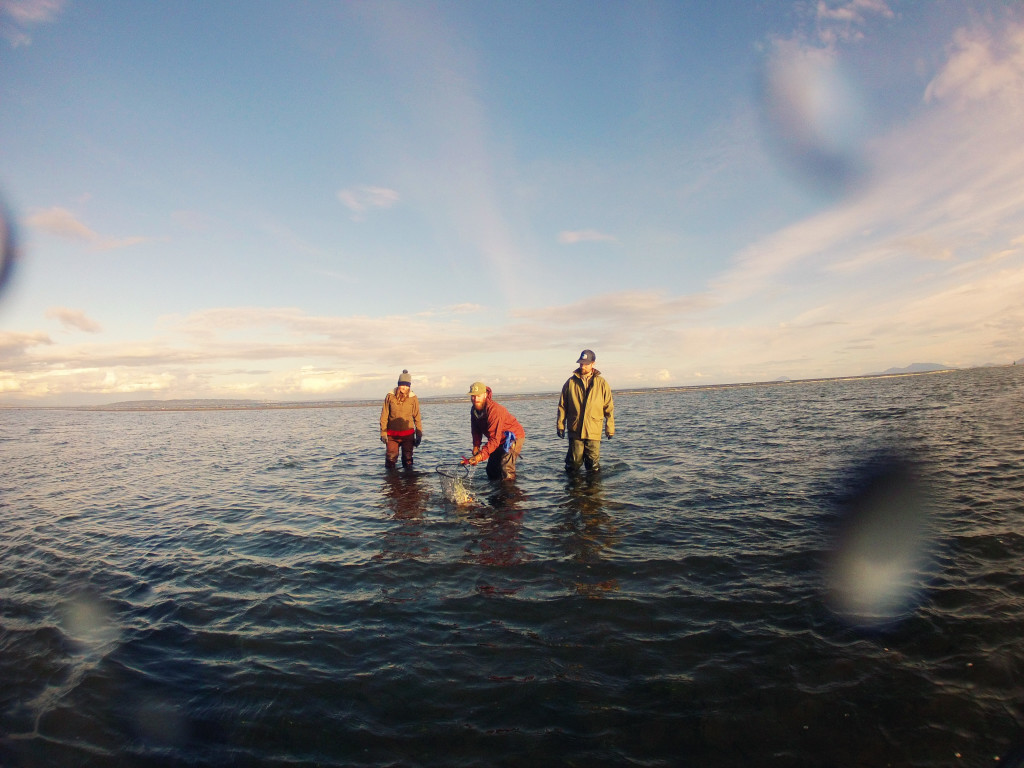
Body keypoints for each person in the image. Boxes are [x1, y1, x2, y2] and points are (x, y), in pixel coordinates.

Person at [557, 349, 614, 473]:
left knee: (593, 465)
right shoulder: (570, 382)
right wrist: (560, 425)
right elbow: (562, 406)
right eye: (581, 363)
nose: (583, 366)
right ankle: (573, 491)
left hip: (594, 429)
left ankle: (592, 491)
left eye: (586, 364)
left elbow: (608, 408)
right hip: (575, 428)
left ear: (593, 363)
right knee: (573, 464)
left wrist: (610, 427)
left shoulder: (602, 383)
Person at [464, 382, 525, 481]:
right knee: (491, 470)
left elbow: (494, 440)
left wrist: (480, 457)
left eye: (478, 396)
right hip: (497, 439)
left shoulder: (495, 410)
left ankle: (511, 493)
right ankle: (495, 494)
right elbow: (476, 430)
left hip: (513, 437)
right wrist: (476, 447)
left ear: (485, 395)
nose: (475, 399)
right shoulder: (474, 410)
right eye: (473, 396)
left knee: (505, 469)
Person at [379, 370, 423, 469]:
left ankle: (409, 482)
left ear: (409, 386)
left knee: (408, 460)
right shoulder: (390, 396)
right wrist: (383, 432)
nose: (404, 387)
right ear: (398, 384)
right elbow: (384, 415)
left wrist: (419, 435)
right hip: (392, 436)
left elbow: (417, 416)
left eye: (407, 385)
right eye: (402, 385)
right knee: (391, 459)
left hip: (408, 435)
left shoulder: (413, 398)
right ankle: (391, 482)